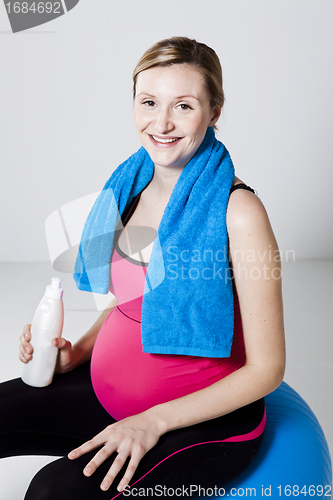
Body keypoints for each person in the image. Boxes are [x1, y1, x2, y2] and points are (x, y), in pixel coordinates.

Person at [1, 37, 285, 499]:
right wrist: (80, 352)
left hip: (199, 422)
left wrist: (152, 422)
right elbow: (131, 298)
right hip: (109, 394)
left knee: (51, 492)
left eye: (184, 106)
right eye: (149, 102)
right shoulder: (129, 186)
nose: (162, 123)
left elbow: (267, 369)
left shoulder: (238, 211)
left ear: (214, 112)